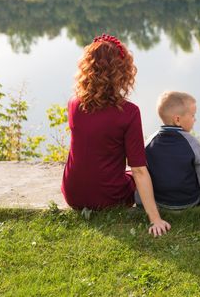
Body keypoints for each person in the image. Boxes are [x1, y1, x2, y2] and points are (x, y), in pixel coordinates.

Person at [61, 34, 170, 237]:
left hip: (73, 193)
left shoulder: (73, 104)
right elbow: (138, 169)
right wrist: (155, 219)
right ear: (122, 72)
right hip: (108, 198)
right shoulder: (129, 112)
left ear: (87, 69)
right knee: (146, 173)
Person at [142, 91, 200, 210]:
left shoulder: (149, 142)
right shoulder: (192, 142)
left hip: (159, 202)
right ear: (177, 119)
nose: (194, 119)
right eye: (192, 115)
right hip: (188, 202)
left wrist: (141, 203)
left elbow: (142, 173)